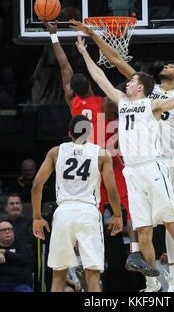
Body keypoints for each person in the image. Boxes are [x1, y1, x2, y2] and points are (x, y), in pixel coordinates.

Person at [75, 34, 174, 291]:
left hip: (153, 167)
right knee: (143, 231)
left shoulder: (153, 105)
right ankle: (151, 283)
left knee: (173, 223)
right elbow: (100, 78)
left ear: (140, 87)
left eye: (131, 81)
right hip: (132, 173)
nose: (126, 83)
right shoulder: (122, 103)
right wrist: (84, 54)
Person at [40, 19, 155, 278]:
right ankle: (134, 252)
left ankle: (84, 259)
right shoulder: (105, 103)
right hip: (113, 161)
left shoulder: (72, 102)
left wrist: (54, 37)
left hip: (89, 165)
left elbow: (63, 66)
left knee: (89, 212)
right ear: (91, 86)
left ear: (72, 90)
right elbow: (123, 100)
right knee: (131, 209)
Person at [31, 115, 123, 292]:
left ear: (69, 133)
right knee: (93, 275)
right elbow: (112, 191)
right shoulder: (102, 154)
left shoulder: (56, 152)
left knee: (58, 276)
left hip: (63, 211)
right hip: (88, 212)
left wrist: (37, 217)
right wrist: (118, 215)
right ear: (89, 134)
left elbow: (36, 185)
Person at [0, 220, 34, 292]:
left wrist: (3, 252)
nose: (7, 232)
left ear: (13, 231)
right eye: (3, 230)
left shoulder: (22, 245)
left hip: (18, 284)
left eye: (9, 229)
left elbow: (25, 260)